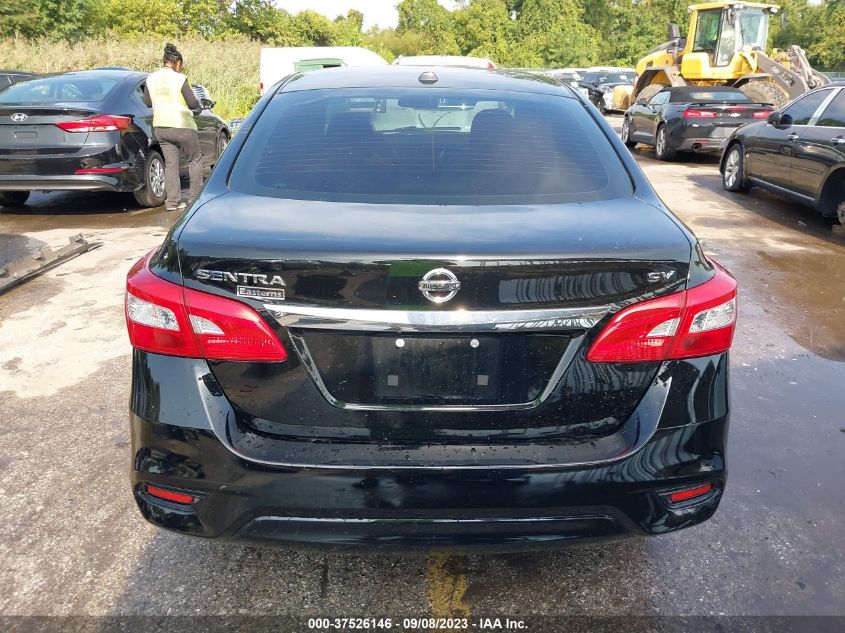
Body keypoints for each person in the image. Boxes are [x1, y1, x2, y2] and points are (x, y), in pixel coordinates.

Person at [143, 43, 203, 211]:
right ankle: (194, 200)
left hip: (161, 127)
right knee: (195, 159)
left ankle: (172, 202)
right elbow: (192, 102)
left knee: (171, 164)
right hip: (182, 125)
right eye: (181, 65)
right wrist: (197, 108)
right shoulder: (179, 78)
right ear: (177, 62)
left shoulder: (151, 78)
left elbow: (148, 102)